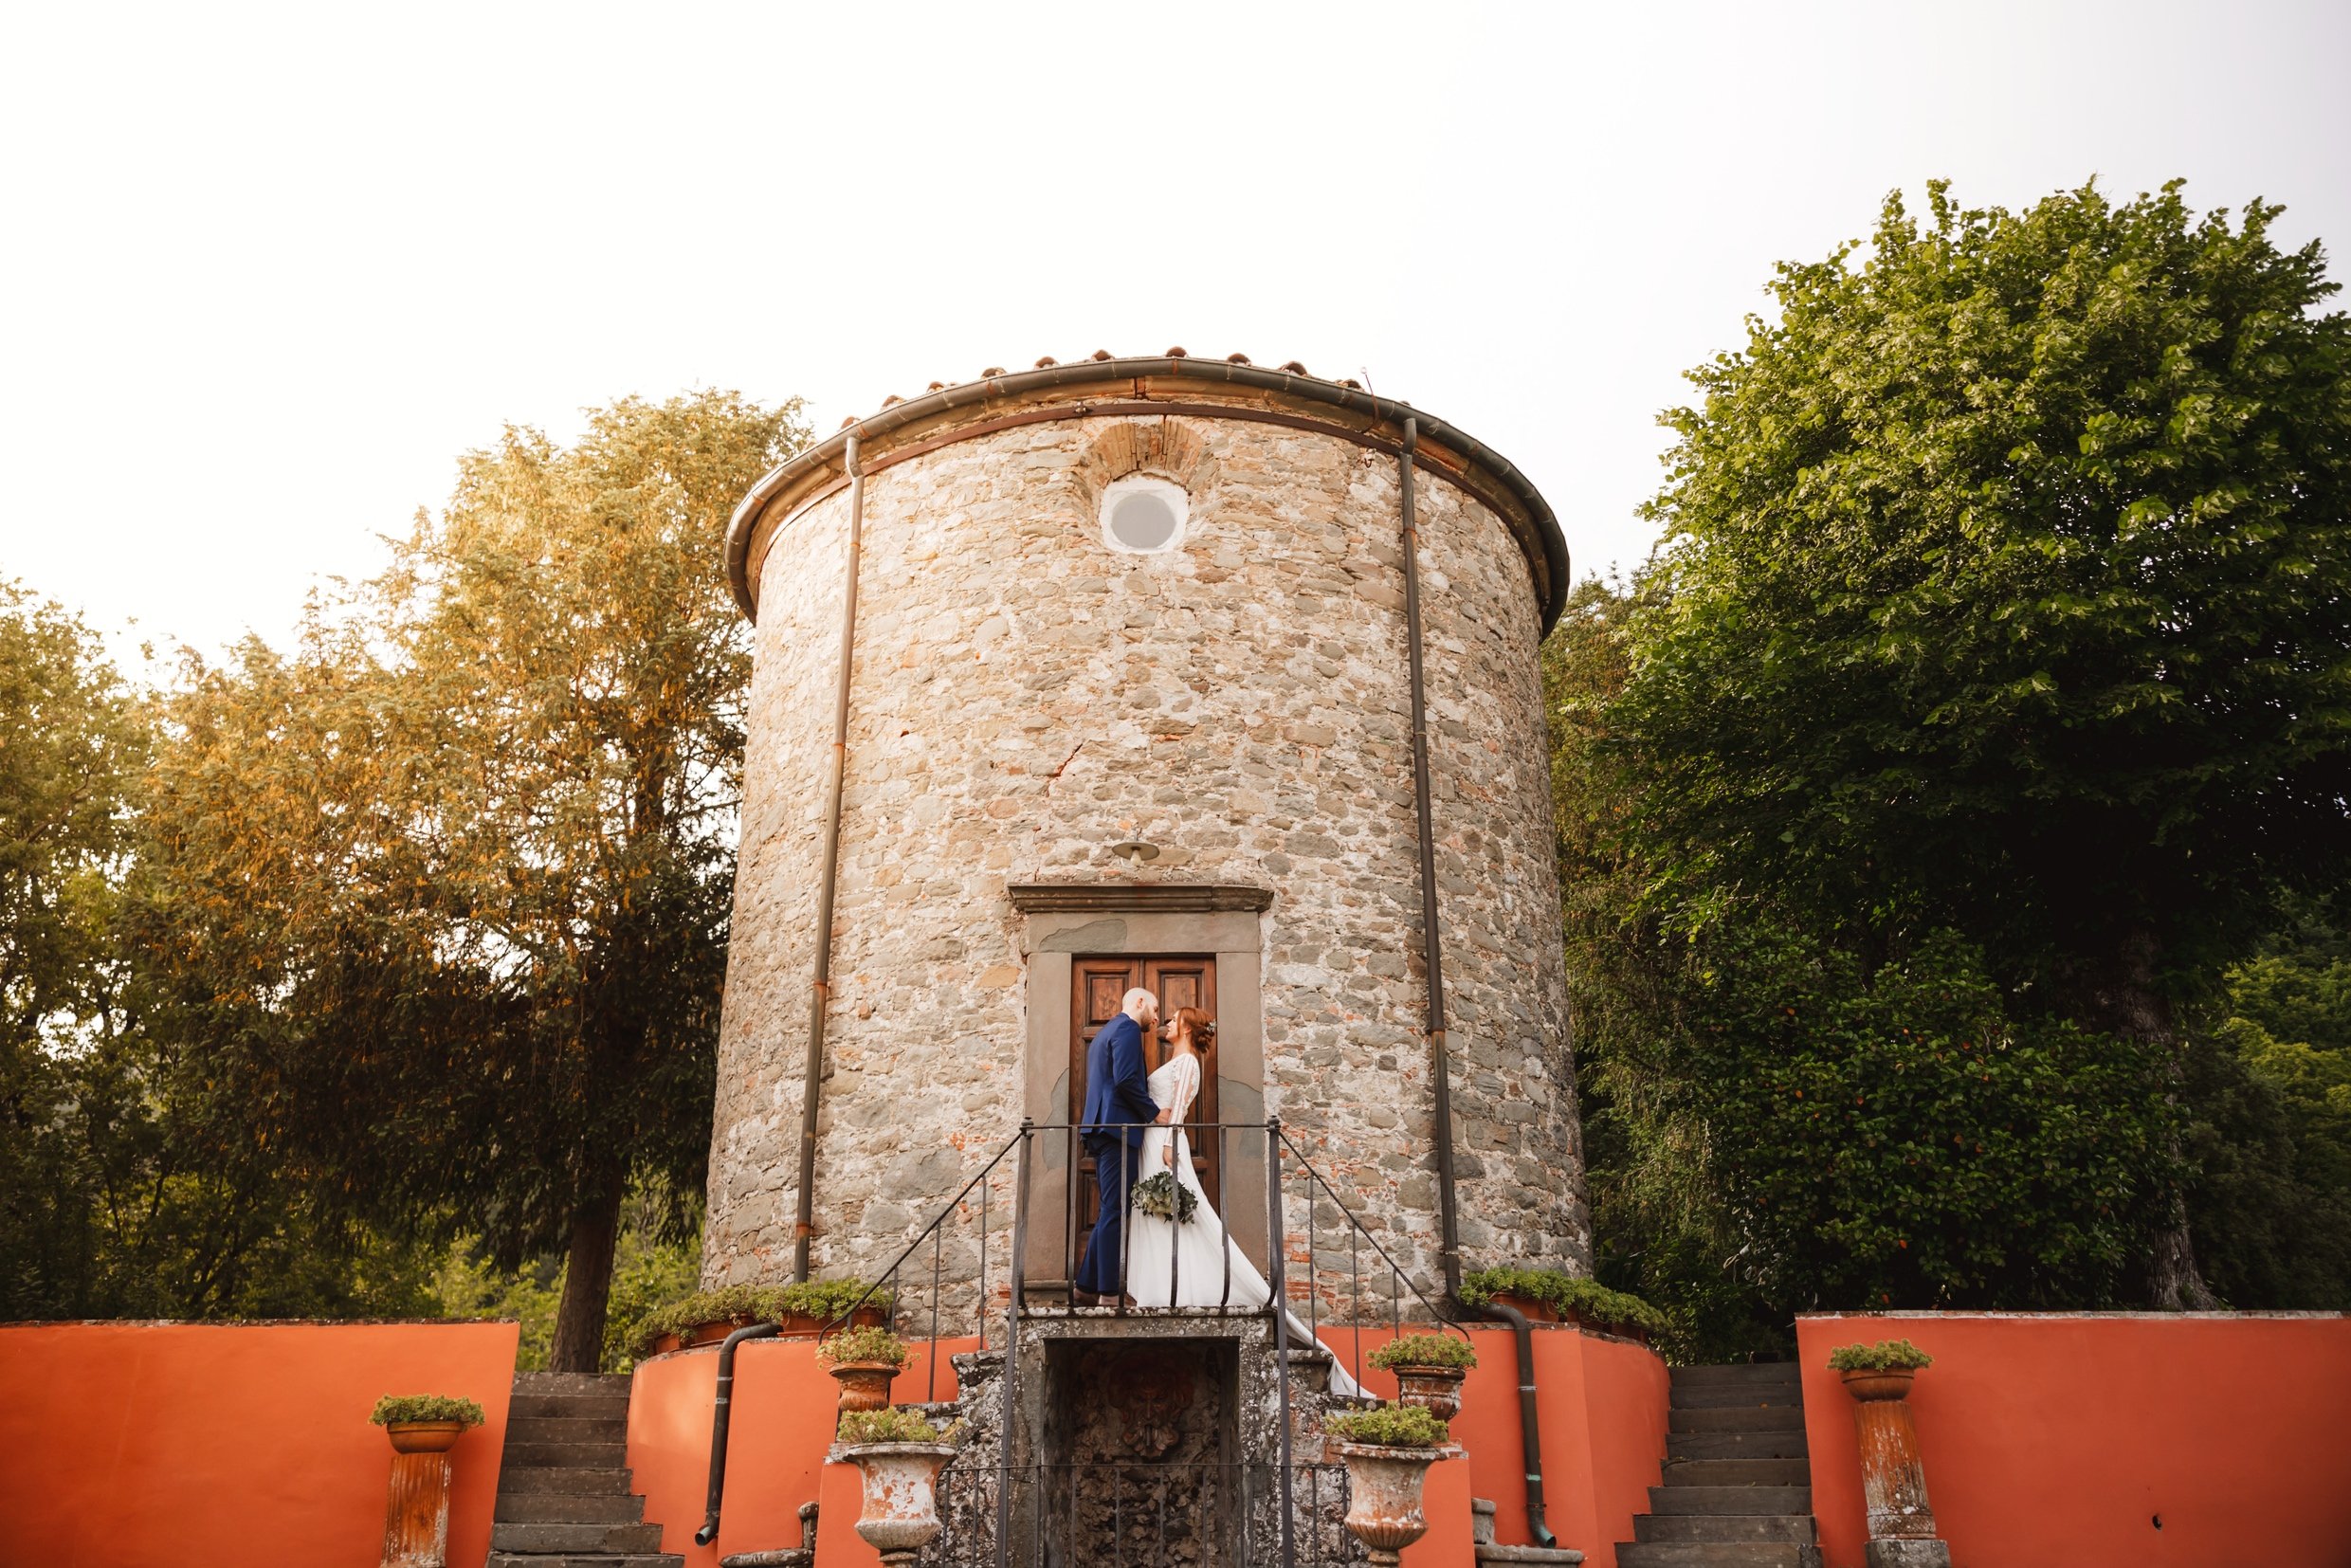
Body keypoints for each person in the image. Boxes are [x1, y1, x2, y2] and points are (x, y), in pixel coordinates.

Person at [1125, 1006, 1361, 1396]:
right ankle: (1154, 1286)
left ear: (1185, 1026)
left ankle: (1177, 1287)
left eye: (1172, 1019)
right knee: (1157, 1215)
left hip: (1163, 1146)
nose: (1165, 1023)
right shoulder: (1174, 1059)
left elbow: (1179, 1109)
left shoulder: (1186, 1063)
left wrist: (1168, 1144)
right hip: (1152, 1144)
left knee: (1178, 1214)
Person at [1073, 986, 1166, 1306]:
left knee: (1109, 1209)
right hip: (1117, 1130)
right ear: (1139, 1002)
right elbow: (1126, 1079)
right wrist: (1154, 1113)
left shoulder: (1104, 1032)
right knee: (1116, 1211)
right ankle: (1110, 1293)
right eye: (1154, 1009)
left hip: (1101, 1128)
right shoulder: (1127, 1029)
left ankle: (1085, 1286)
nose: (1156, 1018)